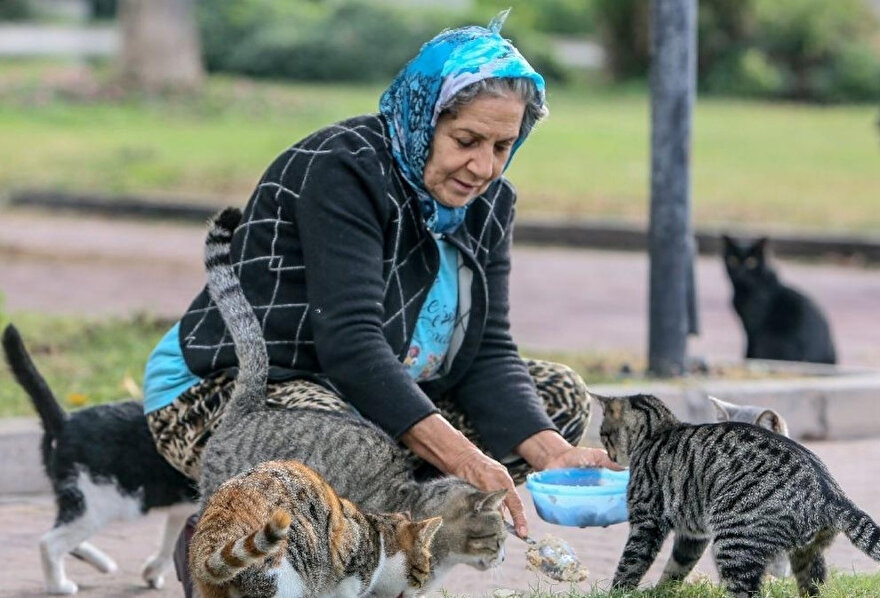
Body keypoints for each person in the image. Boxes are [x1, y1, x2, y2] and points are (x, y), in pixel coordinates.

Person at [143, 12, 619, 584]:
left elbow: (488, 351)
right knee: (370, 452)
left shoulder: (489, 203)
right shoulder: (345, 169)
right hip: (231, 393)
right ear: (423, 116)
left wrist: (552, 456)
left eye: (502, 146)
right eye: (466, 141)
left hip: (359, 397)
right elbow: (351, 344)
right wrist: (464, 458)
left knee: (559, 400)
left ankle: (357, 550)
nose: (483, 167)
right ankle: (227, 536)